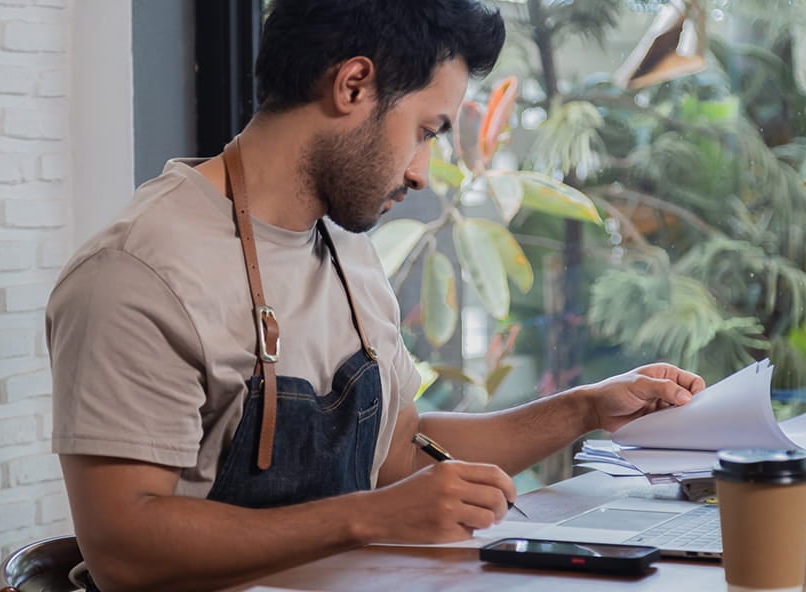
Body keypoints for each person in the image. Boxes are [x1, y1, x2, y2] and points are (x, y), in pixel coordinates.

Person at [47, 1, 706, 591]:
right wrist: (370, 517)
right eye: (425, 129)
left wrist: (586, 409)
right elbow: (124, 551)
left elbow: (396, 453)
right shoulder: (139, 273)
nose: (422, 171)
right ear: (353, 84)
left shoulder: (345, 246)